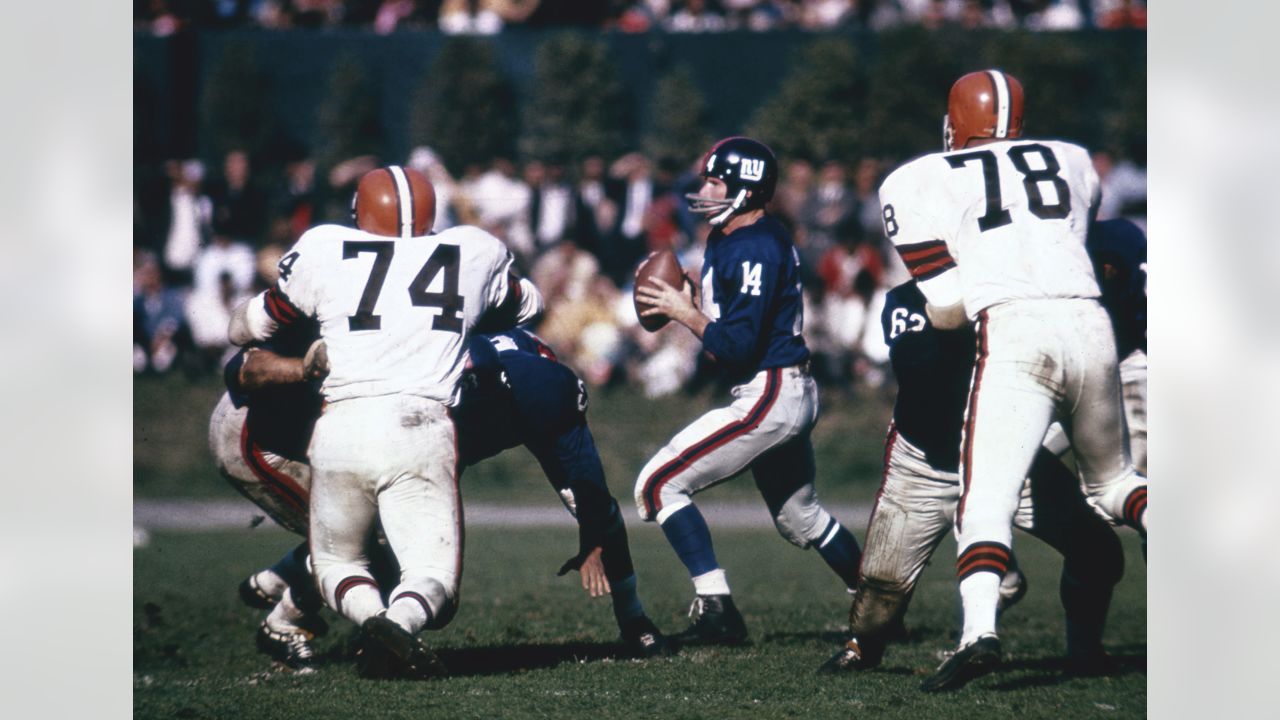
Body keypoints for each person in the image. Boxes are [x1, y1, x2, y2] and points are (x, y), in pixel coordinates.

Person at [876, 69, 1147, 691]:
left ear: (954, 121)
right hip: (1091, 323)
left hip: (1016, 334)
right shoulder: (1075, 160)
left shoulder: (917, 179)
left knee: (984, 499)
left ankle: (978, 634)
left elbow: (944, 308)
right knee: (1115, 484)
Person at [228, 165, 543, 678]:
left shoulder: (326, 247)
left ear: (359, 214)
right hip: (423, 426)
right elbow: (529, 304)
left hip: (341, 425)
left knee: (337, 564)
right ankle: (397, 622)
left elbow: (249, 325)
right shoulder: (472, 248)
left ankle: (373, 618)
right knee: (433, 577)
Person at [213, 327, 673, 668]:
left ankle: (283, 583)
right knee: (375, 544)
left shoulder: (538, 395)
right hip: (265, 438)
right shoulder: (404, 361)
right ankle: (285, 618)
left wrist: (629, 612)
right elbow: (244, 370)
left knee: (399, 552)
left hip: (344, 448)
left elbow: (595, 501)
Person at [817, 276, 1126, 678]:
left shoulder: (1007, 295)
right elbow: (919, 367)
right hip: (925, 465)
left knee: (1098, 552)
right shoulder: (906, 299)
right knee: (876, 605)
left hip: (1004, 454)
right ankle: (864, 647)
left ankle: (1084, 649)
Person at [633, 137, 863, 645]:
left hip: (771, 391)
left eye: (717, 182)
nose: (706, 190)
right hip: (782, 387)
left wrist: (683, 312)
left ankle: (718, 611)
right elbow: (731, 334)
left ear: (746, 190)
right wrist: (694, 304)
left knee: (658, 484)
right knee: (802, 519)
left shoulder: (755, 243)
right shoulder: (736, 238)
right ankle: (878, 602)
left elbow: (735, 346)